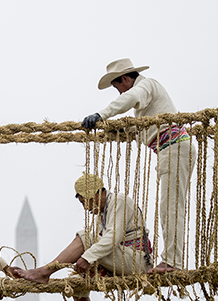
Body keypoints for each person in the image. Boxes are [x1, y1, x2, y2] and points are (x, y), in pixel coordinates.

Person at [13, 173, 152, 301]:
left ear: (94, 194)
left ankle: (45, 271)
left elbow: (112, 238)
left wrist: (87, 257)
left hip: (136, 260)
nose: (86, 208)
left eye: (84, 202)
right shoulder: (103, 213)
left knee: (86, 237)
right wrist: (86, 261)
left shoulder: (119, 201)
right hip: (122, 258)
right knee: (77, 279)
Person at [81, 58, 196, 273]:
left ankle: (173, 262)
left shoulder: (145, 86)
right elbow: (146, 128)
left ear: (125, 79)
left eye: (118, 87)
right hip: (169, 149)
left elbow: (130, 98)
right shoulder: (147, 99)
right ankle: (172, 260)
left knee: (171, 207)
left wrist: (101, 115)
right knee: (168, 206)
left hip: (173, 147)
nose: (119, 94)